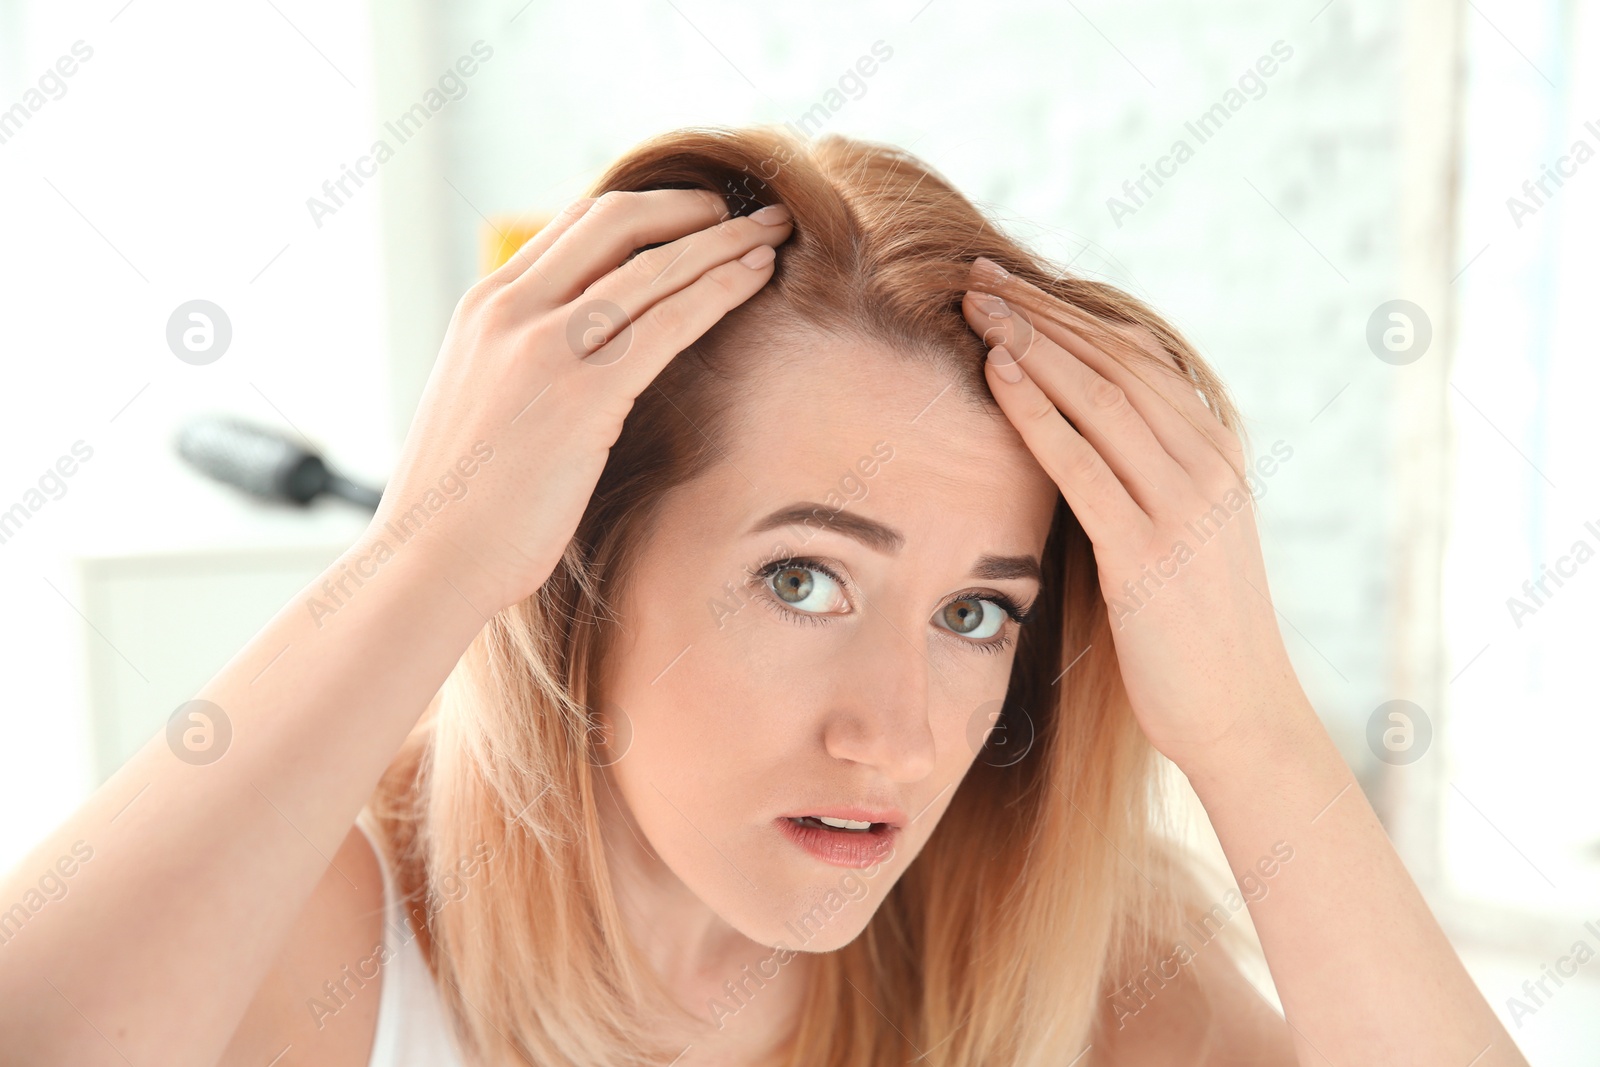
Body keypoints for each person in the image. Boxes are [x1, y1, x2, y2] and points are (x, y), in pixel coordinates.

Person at [0, 124, 1525, 1067]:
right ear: (575, 571)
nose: (900, 737)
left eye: (977, 612)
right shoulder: (346, 948)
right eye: (804, 579)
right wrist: (425, 559)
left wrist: (1251, 731)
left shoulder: (1055, 953)